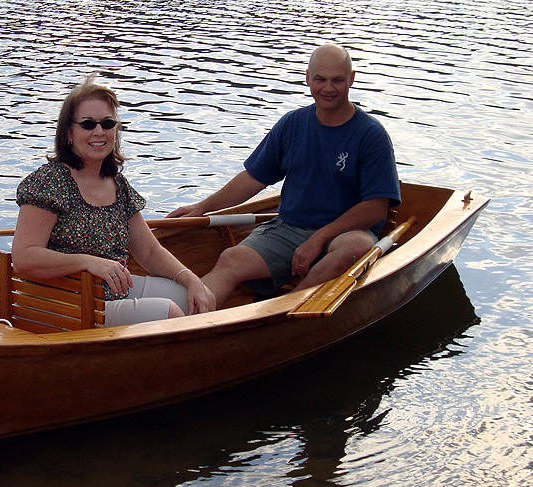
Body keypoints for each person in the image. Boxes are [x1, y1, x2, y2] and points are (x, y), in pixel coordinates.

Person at [167, 44, 401, 307]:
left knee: (353, 248)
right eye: (320, 79)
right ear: (308, 78)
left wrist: (319, 237)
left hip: (347, 232)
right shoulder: (293, 124)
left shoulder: (371, 135)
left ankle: (285, 310)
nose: (328, 88)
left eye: (338, 80)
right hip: (290, 227)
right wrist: (202, 207)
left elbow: (376, 207)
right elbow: (253, 178)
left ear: (352, 80)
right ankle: (183, 321)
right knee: (231, 260)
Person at [11, 75, 215, 326]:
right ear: (68, 133)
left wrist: (191, 279)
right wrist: (88, 262)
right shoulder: (49, 183)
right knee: (170, 312)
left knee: (200, 298)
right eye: (87, 124)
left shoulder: (118, 185)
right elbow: (24, 258)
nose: (99, 131)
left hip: (110, 292)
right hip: (64, 303)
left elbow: (150, 252)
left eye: (107, 123)